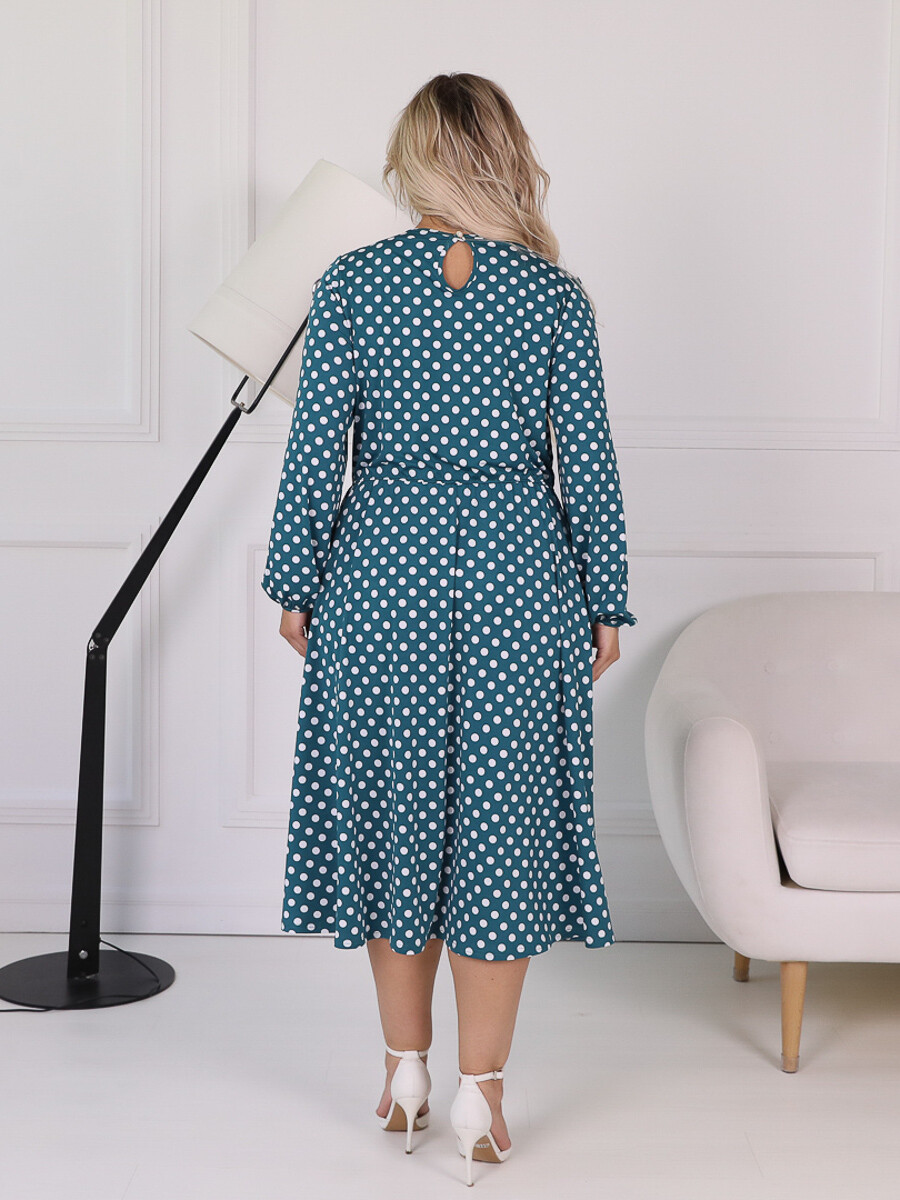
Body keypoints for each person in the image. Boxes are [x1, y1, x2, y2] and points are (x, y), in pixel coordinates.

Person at [260, 72, 637, 1187]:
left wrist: (295, 586)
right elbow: (590, 470)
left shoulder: (353, 285)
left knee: (394, 820)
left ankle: (404, 1073)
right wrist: (605, 599)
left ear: (412, 160)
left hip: (381, 578)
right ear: (507, 159)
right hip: (522, 581)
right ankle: (482, 1093)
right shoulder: (553, 299)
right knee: (499, 833)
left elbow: (313, 456)